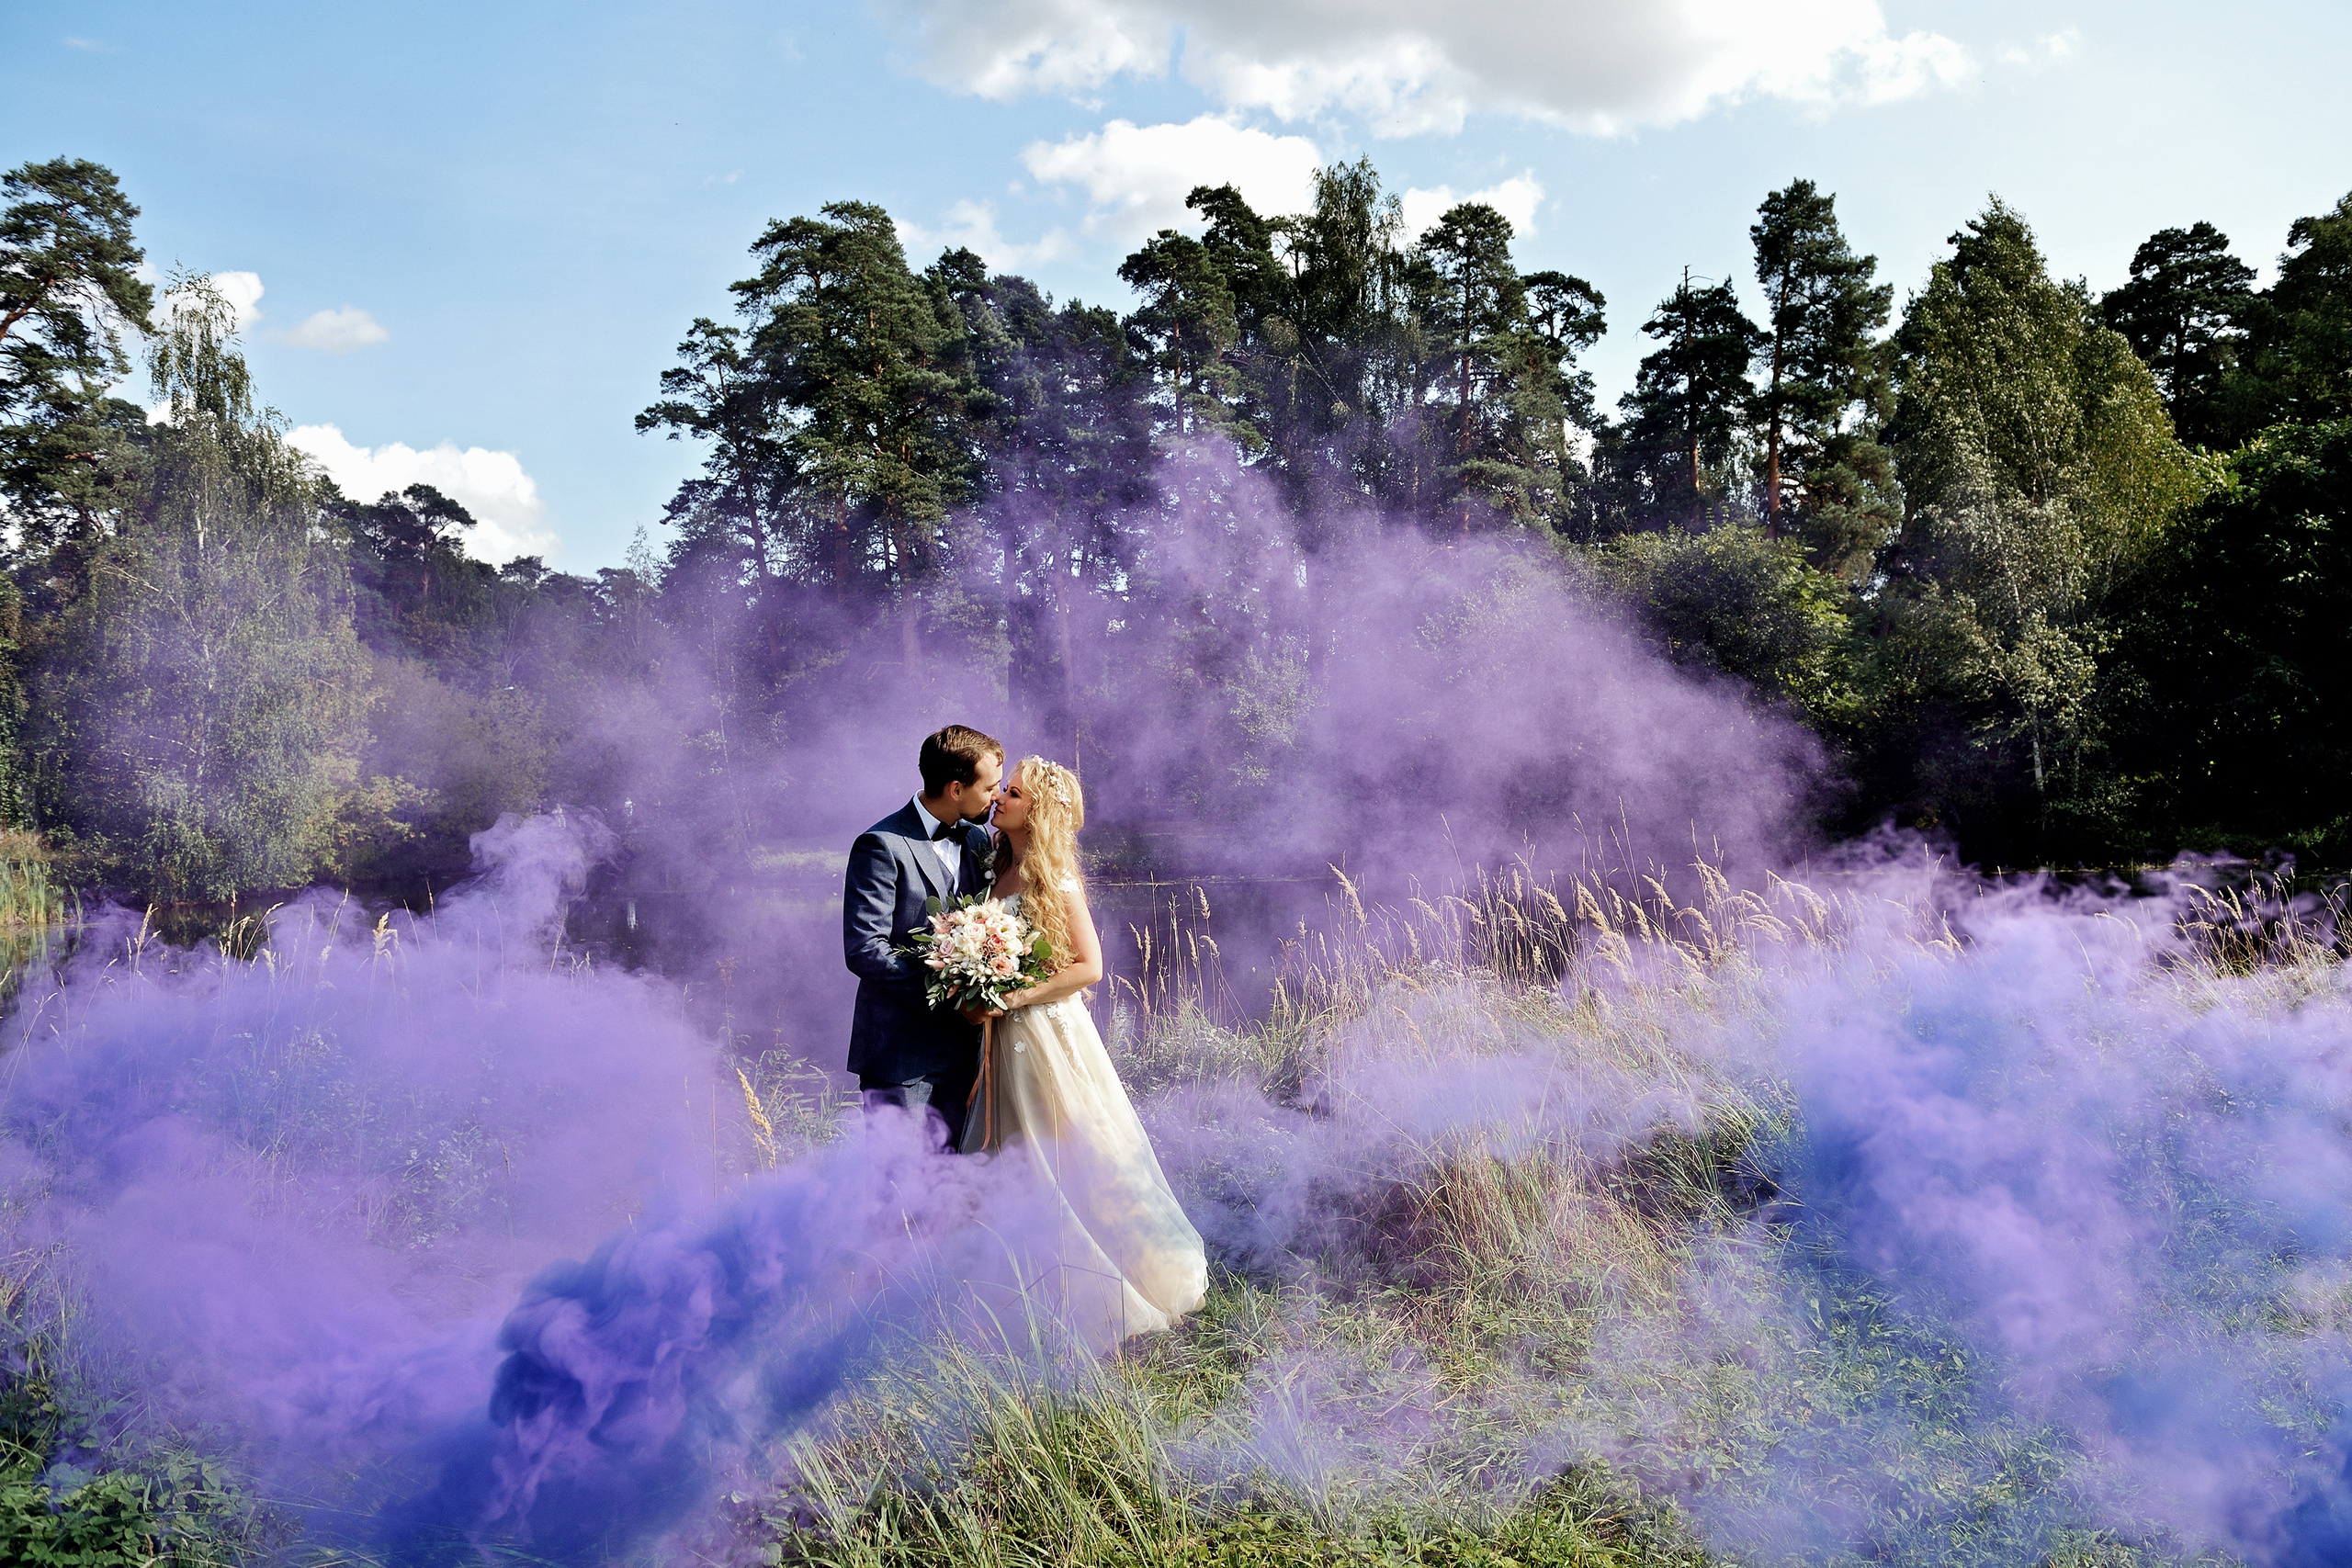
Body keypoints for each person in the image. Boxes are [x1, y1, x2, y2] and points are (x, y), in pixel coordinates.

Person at [967, 755, 1208, 1341]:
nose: (1001, 799)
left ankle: (1105, 1288)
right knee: (1013, 1151)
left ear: (1038, 811)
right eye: (1002, 790)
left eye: (1014, 794)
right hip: (1005, 1035)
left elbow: (1091, 967)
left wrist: (1017, 996)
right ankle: (1011, 1286)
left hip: (1045, 1030)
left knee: (1070, 1149)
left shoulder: (1056, 878)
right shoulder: (996, 867)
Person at [842, 725, 1003, 1151]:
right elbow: (865, 950)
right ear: (955, 788)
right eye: (990, 787)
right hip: (901, 1057)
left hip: (966, 1054)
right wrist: (953, 991)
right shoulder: (880, 845)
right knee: (900, 1189)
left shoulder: (975, 837)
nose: (996, 796)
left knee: (954, 1185)